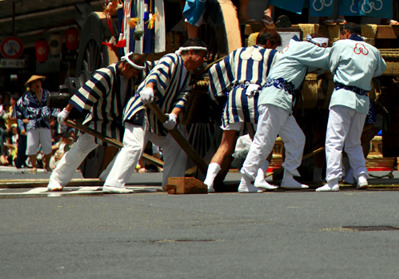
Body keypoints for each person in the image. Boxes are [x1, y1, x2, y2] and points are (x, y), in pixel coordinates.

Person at [103, 42, 208, 193]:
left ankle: (171, 182)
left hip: (157, 117)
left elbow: (183, 97)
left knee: (176, 144)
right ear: (190, 52)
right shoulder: (172, 59)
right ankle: (113, 183)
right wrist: (149, 87)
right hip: (141, 109)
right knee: (134, 146)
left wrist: (174, 115)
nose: (203, 60)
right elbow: (155, 73)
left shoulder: (188, 76)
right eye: (202, 56)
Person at [237, 37, 332, 192]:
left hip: (280, 100)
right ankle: (246, 179)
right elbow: (329, 57)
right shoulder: (303, 47)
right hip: (276, 98)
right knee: (264, 141)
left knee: (296, 138)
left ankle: (289, 176)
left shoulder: (293, 50)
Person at [48, 53, 146, 191]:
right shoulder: (105, 75)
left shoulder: (132, 77)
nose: (134, 75)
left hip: (118, 123)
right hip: (99, 121)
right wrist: (66, 111)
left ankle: (109, 176)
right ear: (126, 65)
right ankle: (56, 180)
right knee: (79, 150)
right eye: (133, 71)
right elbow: (84, 93)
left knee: (132, 148)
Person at [203, 29, 281, 192]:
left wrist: (219, 94)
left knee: (225, 144)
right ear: (268, 43)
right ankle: (259, 179)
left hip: (235, 95)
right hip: (258, 96)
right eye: (274, 46)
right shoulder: (273, 55)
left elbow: (214, 70)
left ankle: (208, 182)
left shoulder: (237, 53)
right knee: (263, 141)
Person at [318, 23, 386, 191]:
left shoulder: (340, 45)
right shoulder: (373, 50)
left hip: (343, 96)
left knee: (334, 140)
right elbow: (379, 70)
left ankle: (332, 181)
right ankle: (361, 176)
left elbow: (332, 65)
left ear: (346, 33)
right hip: (362, 99)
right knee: (354, 142)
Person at [17, 76, 55, 172]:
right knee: (31, 145)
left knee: (47, 145)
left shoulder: (47, 94)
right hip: (32, 123)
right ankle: (34, 165)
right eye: (34, 83)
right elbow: (18, 109)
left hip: (44, 122)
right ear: (31, 85)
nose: (37, 84)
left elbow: (54, 106)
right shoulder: (26, 97)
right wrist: (22, 121)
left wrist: (53, 118)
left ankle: (46, 164)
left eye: (38, 82)